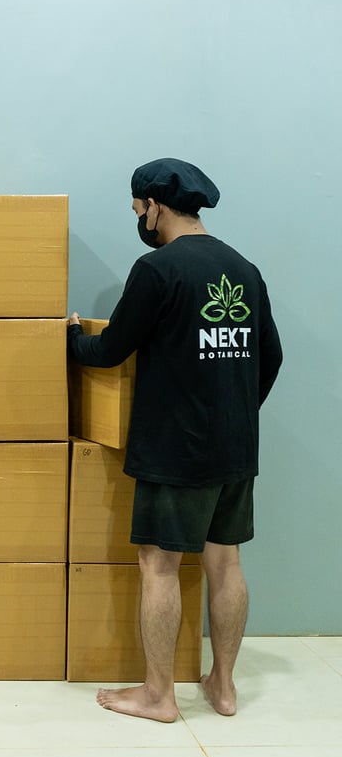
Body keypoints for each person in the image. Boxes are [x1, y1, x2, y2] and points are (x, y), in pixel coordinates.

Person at [67, 157, 282, 723]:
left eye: (138, 208)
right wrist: (235, 414)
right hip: (236, 448)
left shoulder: (157, 269)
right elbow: (272, 356)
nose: (139, 217)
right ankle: (224, 686)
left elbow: (111, 349)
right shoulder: (244, 268)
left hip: (175, 449)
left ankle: (159, 695)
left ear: (155, 206)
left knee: (159, 565)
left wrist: (72, 339)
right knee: (225, 562)